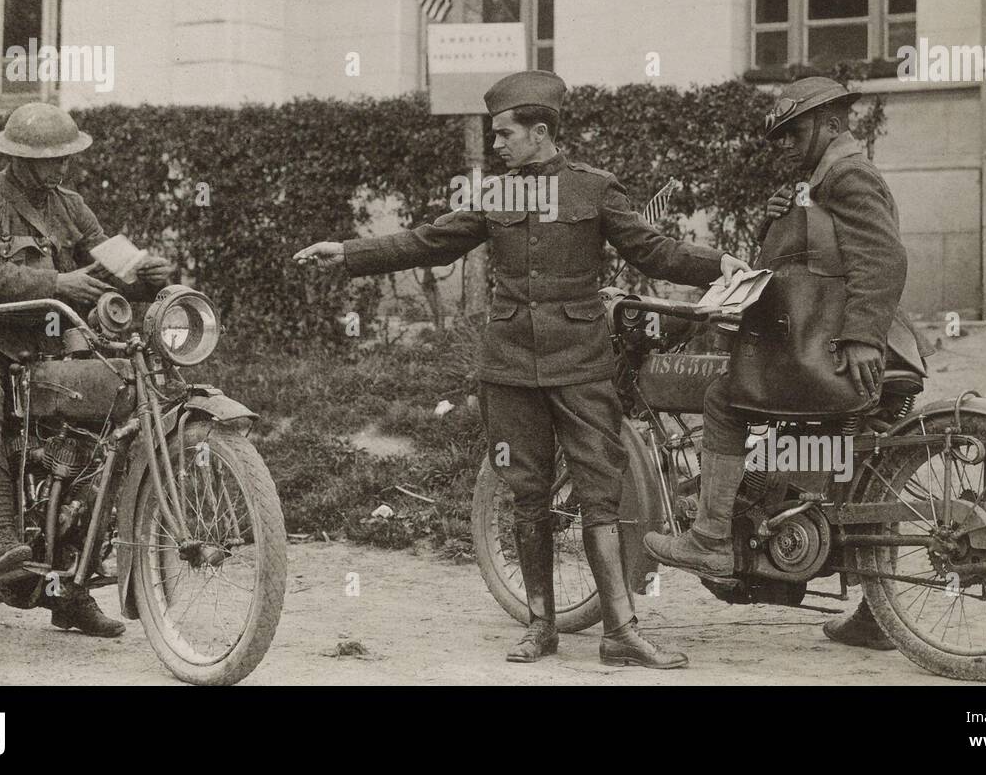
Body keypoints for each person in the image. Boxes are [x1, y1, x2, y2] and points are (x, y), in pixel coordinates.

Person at [294, 70, 747, 668]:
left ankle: (621, 632)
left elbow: (654, 249)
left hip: (582, 366)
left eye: (506, 133)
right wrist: (348, 252)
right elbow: (428, 242)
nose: (498, 144)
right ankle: (541, 626)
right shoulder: (494, 195)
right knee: (528, 495)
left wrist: (721, 263)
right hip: (508, 367)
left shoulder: (594, 189)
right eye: (495, 134)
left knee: (600, 492)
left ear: (540, 132)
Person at [644, 76, 930, 652]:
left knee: (724, 401)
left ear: (830, 123)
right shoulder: (819, 182)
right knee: (857, 470)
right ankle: (879, 612)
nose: (785, 145)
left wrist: (862, 338)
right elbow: (802, 260)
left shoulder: (847, 175)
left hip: (841, 345)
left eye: (794, 132)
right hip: (845, 344)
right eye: (780, 137)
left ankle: (709, 536)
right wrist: (778, 217)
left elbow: (883, 259)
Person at [0, 102, 172, 636]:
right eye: (50, 160)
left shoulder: (71, 205)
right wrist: (57, 284)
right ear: (17, 159)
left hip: (51, 347)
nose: (61, 168)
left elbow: (117, 266)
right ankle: (1, 538)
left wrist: (151, 277)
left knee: (111, 413)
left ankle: (68, 586)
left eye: (66, 157)